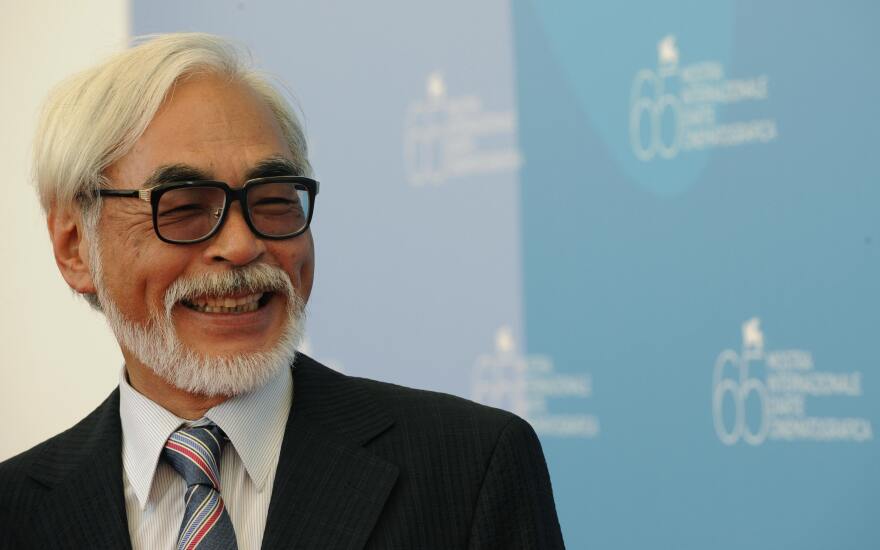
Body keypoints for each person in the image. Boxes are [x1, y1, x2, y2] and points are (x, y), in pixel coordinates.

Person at [0, 33, 564, 549]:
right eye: (186, 207)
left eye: (272, 199)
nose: (243, 245)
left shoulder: (468, 468)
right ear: (75, 247)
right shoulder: (16, 509)